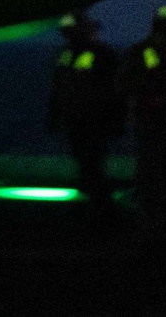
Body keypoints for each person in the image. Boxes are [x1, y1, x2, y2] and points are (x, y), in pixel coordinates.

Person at [47, 12, 124, 211]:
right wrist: (55, 113)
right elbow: (60, 86)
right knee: (83, 156)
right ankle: (91, 194)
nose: (67, 36)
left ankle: (99, 199)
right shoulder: (66, 54)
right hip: (75, 117)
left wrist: (115, 118)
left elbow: (114, 89)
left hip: (94, 118)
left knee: (92, 157)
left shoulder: (103, 54)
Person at [124, 4, 166, 238]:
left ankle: (162, 225)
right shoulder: (147, 52)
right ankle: (155, 227)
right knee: (155, 173)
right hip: (154, 124)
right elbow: (127, 84)